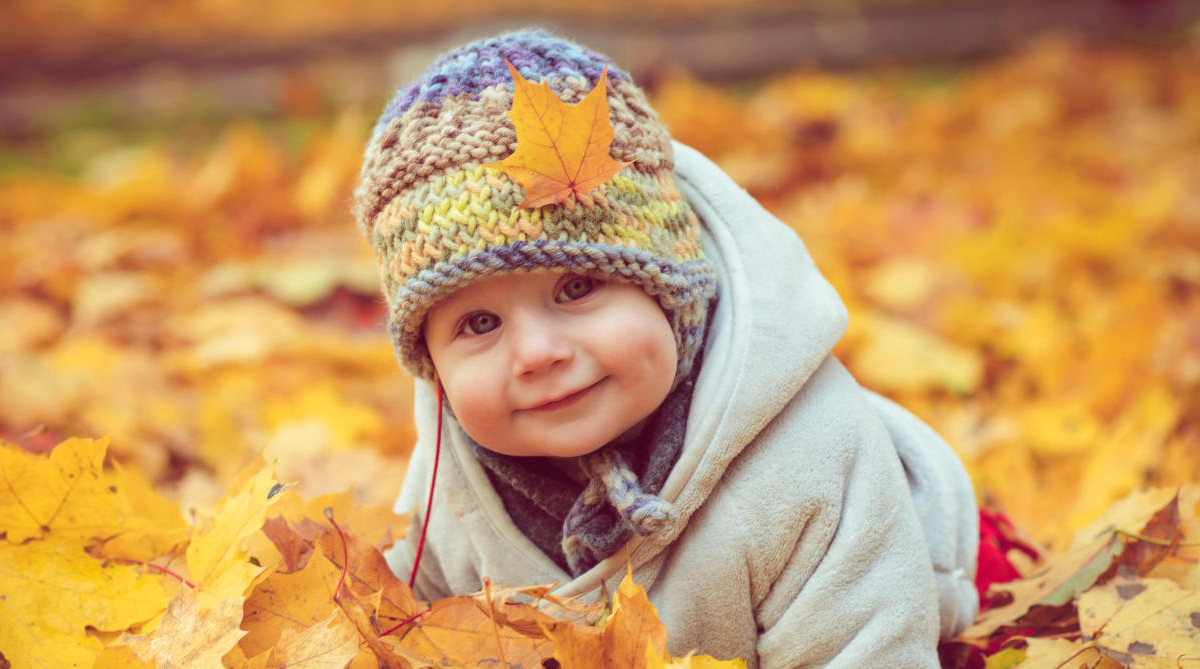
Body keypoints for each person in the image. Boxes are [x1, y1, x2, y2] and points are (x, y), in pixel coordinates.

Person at [352, 28, 978, 668]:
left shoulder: (808, 461)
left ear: (671, 287)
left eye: (576, 286)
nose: (537, 352)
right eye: (480, 325)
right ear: (432, 368)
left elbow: (865, 648)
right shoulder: (445, 487)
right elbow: (402, 625)